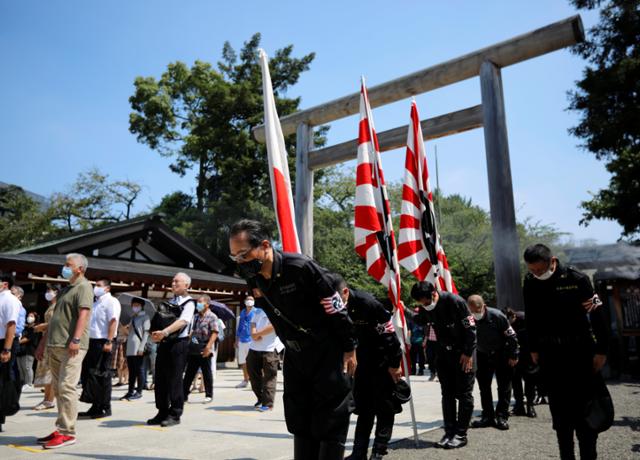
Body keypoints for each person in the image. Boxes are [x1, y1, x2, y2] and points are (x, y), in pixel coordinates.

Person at [229, 219, 356, 460]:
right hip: (295, 355)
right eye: (234, 256)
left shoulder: (300, 267)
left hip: (327, 351)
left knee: (330, 419)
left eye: (243, 255)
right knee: (300, 419)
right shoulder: (254, 278)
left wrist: (349, 348)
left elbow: (335, 309)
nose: (240, 262)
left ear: (264, 245)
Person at [523, 244, 609, 460]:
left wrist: (602, 350)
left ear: (552, 261)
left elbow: (597, 313)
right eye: (532, 270)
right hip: (551, 356)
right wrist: (533, 348)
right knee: (561, 418)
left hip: (579, 354)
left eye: (540, 270)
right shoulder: (530, 283)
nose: (536, 274)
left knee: (585, 416)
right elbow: (531, 318)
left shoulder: (577, 279)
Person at [330, 274, 402, 460]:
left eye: (339, 299)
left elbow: (390, 336)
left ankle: (379, 449)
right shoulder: (333, 306)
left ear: (345, 292)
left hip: (381, 362)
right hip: (360, 364)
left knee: (384, 407)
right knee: (363, 409)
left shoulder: (368, 303)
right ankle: (359, 452)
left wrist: (395, 364)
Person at [405, 281, 476, 449]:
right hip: (443, 354)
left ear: (434, 293)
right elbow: (420, 320)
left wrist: (467, 353)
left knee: (464, 394)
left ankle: (461, 434)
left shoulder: (455, 301)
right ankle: (449, 431)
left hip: (463, 354)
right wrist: (403, 310)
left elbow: (470, 329)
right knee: (447, 394)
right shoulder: (426, 307)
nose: (425, 305)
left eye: (426, 302)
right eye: (421, 303)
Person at [35, 253, 93, 449]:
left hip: (72, 346)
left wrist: (76, 339)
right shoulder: (66, 289)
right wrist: (43, 343)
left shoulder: (84, 286)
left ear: (80, 269)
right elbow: (54, 320)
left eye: (68, 265)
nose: (64, 267)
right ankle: (61, 428)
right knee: (59, 389)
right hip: (56, 344)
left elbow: (84, 314)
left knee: (67, 387)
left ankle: (68, 432)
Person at [147, 272, 195, 427]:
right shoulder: (169, 302)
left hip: (179, 344)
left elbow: (183, 321)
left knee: (175, 379)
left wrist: (165, 332)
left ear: (186, 285)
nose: (173, 284)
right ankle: (162, 411)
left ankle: (175, 414)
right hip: (164, 343)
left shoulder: (189, 303)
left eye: (177, 282)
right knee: (160, 378)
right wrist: (154, 333)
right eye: (173, 281)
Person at [467, 295, 519, 431]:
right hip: (482, 354)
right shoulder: (469, 318)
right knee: (484, 387)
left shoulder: (497, 316)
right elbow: (467, 336)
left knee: (504, 387)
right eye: (472, 311)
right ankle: (487, 416)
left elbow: (512, 336)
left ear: (483, 306)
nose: (475, 314)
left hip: (501, 354)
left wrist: (514, 354)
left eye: (477, 310)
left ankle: (502, 416)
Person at [80, 278, 121, 418]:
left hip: (104, 340)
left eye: (98, 286)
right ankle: (95, 405)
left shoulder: (112, 301)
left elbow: (113, 321)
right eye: (94, 285)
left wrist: (109, 341)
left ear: (107, 288)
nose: (95, 288)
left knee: (103, 374)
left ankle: (105, 406)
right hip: (92, 341)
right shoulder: (95, 302)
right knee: (91, 374)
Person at [247, 305, 283, 412]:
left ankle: (268, 403)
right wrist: (253, 334)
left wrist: (258, 333)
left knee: (270, 376)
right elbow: (253, 323)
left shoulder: (275, 308)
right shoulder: (258, 310)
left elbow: (274, 325)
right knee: (253, 375)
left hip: (270, 348)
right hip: (254, 347)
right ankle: (260, 398)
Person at [183, 294, 218, 404]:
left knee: (206, 373)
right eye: (197, 302)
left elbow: (215, 333)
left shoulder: (212, 316)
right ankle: (183, 395)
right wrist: (193, 342)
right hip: (195, 346)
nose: (198, 304)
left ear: (207, 304)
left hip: (206, 346)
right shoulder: (196, 316)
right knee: (189, 373)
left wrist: (208, 347)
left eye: (200, 302)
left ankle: (209, 394)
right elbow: (193, 332)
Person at [504, 308, 537, 418]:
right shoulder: (503, 322)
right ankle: (519, 405)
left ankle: (530, 405)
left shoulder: (524, 319)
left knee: (529, 380)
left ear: (513, 316)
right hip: (513, 354)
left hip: (527, 353)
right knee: (515, 379)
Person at [33, 284, 60, 411]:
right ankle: (46, 399)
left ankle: (49, 400)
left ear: (56, 292)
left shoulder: (58, 305)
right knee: (47, 370)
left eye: (50, 290)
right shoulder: (51, 306)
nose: (47, 293)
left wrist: (43, 326)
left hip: (52, 340)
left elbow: (57, 323)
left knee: (51, 371)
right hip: (47, 338)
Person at [0, 273, 21, 432]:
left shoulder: (10, 300)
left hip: (4, 342)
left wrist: (6, 349)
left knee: (3, 380)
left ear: (5, 284)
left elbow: (11, 325)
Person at [121, 297, 150, 401]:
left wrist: (142, 347)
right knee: (132, 371)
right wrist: (123, 328)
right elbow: (129, 333)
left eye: (137, 305)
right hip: (130, 347)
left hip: (139, 347)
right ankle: (130, 391)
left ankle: (139, 391)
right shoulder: (133, 318)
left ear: (142, 306)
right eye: (133, 305)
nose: (135, 307)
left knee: (140, 370)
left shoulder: (145, 317)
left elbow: (146, 333)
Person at [235, 296, 255, 388]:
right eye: (248, 299)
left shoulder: (256, 312)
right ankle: (245, 380)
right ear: (244, 301)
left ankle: (258, 380)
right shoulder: (242, 312)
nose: (249, 301)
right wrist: (236, 339)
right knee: (243, 361)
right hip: (242, 339)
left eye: (251, 299)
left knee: (254, 361)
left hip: (252, 340)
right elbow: (239, 327)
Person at [17, 311, 39, 390]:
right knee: (20, 367)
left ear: (35, 318)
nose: (29, 317)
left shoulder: (35, 328)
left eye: (32, 316)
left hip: (29, 350)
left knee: (27, 367)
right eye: (28, 316)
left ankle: (29, 383)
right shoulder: (24, 327)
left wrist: (18, 341)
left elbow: (29, 338)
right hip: (20, 350)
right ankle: (23, 382)